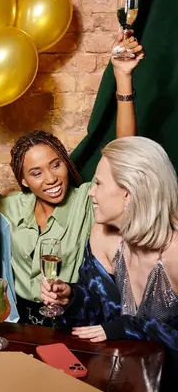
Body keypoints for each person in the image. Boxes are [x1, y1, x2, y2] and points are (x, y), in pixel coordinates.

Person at [0, 31, 144, 324]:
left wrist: (123, 78)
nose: (51, 178)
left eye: (55, 164)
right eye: (36, 173)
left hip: (71, 317)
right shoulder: (9, 207)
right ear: (23, 182)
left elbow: (126, 155)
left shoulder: (87, 199)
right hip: (20, 321)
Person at [40, 136, 178, 347]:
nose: (91, 193)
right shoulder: (102, 234)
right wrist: (71, 298)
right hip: (119, 369)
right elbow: (98, 312)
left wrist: (131, 327)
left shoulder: (174, 251)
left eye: (98, 183)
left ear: (128, 193)